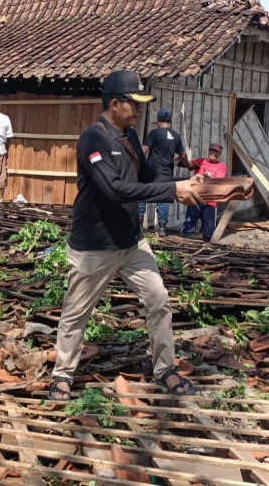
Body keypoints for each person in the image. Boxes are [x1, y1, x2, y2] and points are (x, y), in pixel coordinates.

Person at [49, 70, 205, 401]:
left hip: (132, 242)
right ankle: (62, 374)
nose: (139, 110)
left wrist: (190, 181)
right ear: (115, 103)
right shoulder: (93, 140)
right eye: (133, 104)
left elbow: (147, 176)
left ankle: (165, 369)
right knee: (76, 312)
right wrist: (172, 191)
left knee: (159, 299)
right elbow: (114, 188)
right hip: (95, 245)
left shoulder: (130, 135)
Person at [138, 108, 187, 236]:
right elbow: (183, 155)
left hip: (150, 172)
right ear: (170, 121)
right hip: (166, 173)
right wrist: (185, 162)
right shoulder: (176, 136)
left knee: (142, 196)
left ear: (158, 120)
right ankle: (161, 228)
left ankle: (138, 227)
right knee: (163, 199)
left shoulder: (154, 133)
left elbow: (144, 150)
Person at [178, 143, 227, 241]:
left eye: (216, 152)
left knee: (208, 233)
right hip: (195, 198)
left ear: (220, 154)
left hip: (210, 200)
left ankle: (206, 247)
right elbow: (190, 166)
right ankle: (186, 244)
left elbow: (218, 181)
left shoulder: (221, 166)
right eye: (212, 150)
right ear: (208, 151)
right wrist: (184, 160)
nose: (213, 153)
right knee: (188, 228)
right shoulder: (200, 161)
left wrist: (206, 176)